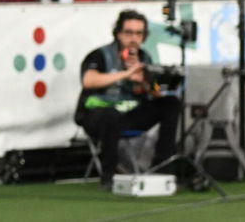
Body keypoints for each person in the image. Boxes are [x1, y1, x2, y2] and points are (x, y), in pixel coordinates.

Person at [75, 10, 180, 189]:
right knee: (110, 114)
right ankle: (109, 175)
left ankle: (163, 166)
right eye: (129, 32)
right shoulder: (100, 55)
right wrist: (126, 74)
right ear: (118, 33)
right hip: (97, 115)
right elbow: (88, 80)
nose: (134, 38)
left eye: (139, 33)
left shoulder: (144, 57)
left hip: (129, 114)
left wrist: (147, 83)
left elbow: (155, 92)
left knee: (170, 104)